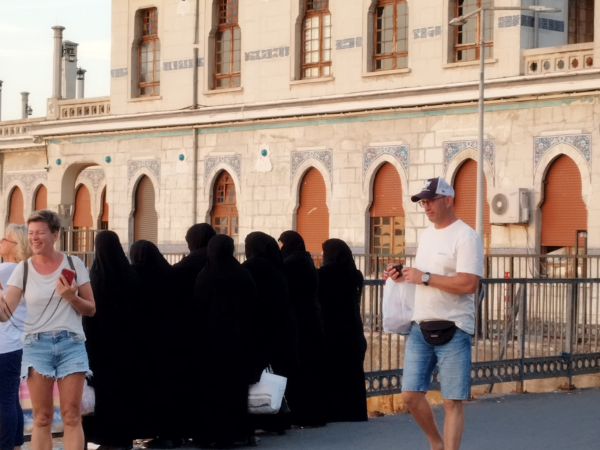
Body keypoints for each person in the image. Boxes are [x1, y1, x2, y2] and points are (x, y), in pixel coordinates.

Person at [387, 177, 483, 450]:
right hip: (421, 325)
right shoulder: (427, 235)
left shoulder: (467, 236)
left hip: (454, 326)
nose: (426, 207)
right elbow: (423, 277)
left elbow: (469, 284)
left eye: (431, 200)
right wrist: (403, 276)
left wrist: (425, 277)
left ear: (448, 200)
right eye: (423, 203)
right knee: (410, 395)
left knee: (452, 401)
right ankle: (436, 443)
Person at [0, 210, 96, 450]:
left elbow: (91, 309)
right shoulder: (23, 269)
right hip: (36, 346)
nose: (34, 238)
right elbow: (5, 314)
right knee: (42, 418)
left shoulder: (74, 264)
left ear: (55, 234)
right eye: (31, 233)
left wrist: (71, 297)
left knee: (71, 415)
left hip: (71, 344)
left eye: (40, 232)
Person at [191, 234, 258, 447]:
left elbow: (198, 310)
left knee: (211, 390)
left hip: (210, 344)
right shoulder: (243, 275)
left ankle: (210, 434)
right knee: (235, 390)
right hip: (238, 343)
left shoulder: (205, 276)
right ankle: (235, 432)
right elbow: (252, 311)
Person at [83, 230, 140, 449]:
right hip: (128, 345)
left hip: (101, 348)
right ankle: (124, 438)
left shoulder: (96, 279)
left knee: (105, 394)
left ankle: (106, 438)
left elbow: (89, 316)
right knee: (125, 391)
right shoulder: (131, 275)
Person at [242, 231, 298, 433]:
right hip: (282, 327)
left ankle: (263, 418)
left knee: (259, 375)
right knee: (276, 374)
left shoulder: (250, 268)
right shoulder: (279, 267)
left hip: (259, 328)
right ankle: (279, 418)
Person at [129, 240, 182, 447]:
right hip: (170, 341)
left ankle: (152, 430)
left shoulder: (133, 277)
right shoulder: (170, 274)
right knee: (169, 389)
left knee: (148, 390)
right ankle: (172, 434)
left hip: (143, 344)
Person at [278, 230, 327, 427]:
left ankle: (302, 415)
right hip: (312, 320)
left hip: (300, 322)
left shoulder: (291, 263)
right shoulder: (305, 260)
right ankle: (314, 414)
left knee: (301, 371)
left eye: (282, 244)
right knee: (312, 371)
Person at [317, 238, 368, 422]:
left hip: (332, 330)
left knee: (334, 372)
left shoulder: (323, 274)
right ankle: (354, 412)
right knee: (352, 373)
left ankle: (334, 412)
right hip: (353, 330)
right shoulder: (355, 274)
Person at [0, 224, 31, 450]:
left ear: (16, 246)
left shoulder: (5, 270)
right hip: (16, 345)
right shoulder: (26, 271)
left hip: (3, 344)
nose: (1, 242)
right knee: (11, 399)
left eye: (5, 239)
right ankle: (16, 444)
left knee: (5, 402)